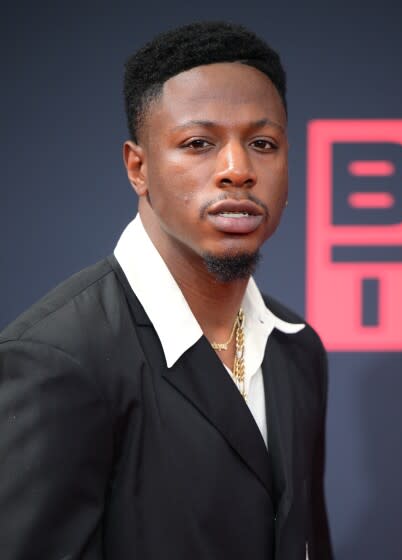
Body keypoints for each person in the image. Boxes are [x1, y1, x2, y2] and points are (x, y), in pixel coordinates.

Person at [0, 21, 333, 560]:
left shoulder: (297, 349)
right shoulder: (56, 359)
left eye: (263, 143)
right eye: (199, 143)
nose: (237, 170)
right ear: (139, 167)